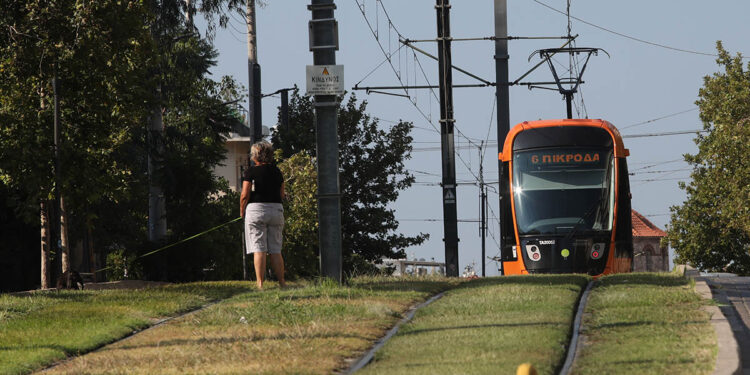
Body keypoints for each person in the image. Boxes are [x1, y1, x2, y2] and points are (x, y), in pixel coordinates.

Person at [240, 141, 286, 289]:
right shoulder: (277, 171)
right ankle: (282, 283)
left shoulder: (250, 172)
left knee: (259, 248)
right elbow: (282, 194)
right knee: (275, 249)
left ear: (255, 156)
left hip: (256, 211)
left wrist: (242, 211)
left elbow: (244, 195)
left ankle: (260, 283)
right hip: (276, 209)